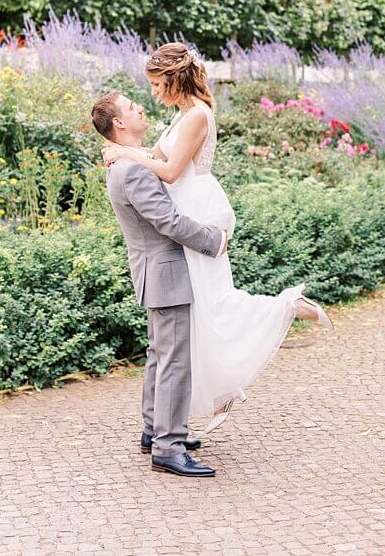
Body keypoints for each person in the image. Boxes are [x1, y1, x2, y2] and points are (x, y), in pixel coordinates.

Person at [100, 43, 332, 434]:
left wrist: (125, 154)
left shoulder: (196, 116)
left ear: (174, 78)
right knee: (199, 317)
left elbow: (170, 171)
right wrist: (129, 153)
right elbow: (157, 160)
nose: (153, 93)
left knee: (213, 306)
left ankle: (285, 308)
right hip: (185, 208)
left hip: (195, 209)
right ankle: (167, 424)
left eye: (157, 83)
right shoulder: (181, 116)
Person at [92, 90, 227, 477]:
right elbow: (167, 221)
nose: (140, 108)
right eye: (132, 108)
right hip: (166, 271)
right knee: (174, 361)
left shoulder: (127, 163)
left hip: (156, 271)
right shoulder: (131, 169)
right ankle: (169, 446)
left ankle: (155, 430)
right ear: (119, 123)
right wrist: (213, 240)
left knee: (159, 355)